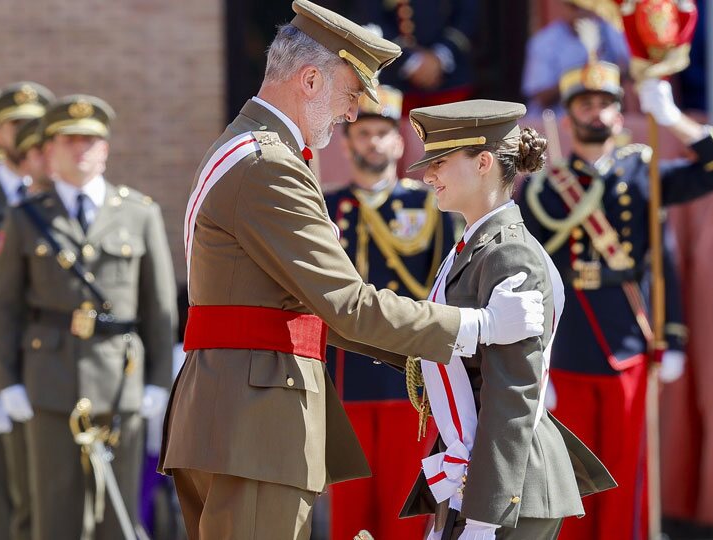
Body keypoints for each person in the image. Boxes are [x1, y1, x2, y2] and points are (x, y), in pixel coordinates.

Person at [159, 1, 548, 538]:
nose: (350, 113)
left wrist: (435, 360)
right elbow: (346, 304)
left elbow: (316, 314)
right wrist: (478, 328)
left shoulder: (249, 149)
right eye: (350, 94)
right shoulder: (269, 165)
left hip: (237, 412)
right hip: (254, 422)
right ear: (311, 79)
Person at [515, 58, 713, 540]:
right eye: (585, 104)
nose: (596, 113)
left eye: (605, 105)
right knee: (568, 476)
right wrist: (532, 361)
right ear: (570, 115)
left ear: (621, 115)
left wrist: (674, 119)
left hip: (627, 342)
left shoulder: (643, 172)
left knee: (624, 473)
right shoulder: (543, 186)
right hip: (566, 346)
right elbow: (526, 277)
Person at [397, 99, 615, 539]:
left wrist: (484, 516)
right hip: (482, 473)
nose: (428, 175)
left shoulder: (508, 253)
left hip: (507, 488)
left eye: (439, 162)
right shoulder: (476, 245)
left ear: (482, 163)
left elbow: (514, 390)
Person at [0, 94, 176, 540]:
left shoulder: (139, 213)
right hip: (50, 380)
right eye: (69, 140)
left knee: (118, 513)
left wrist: (158, 381)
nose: (81, 149)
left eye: (91, 140)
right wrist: (6, 380)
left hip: (119, 380)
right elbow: (3, 307)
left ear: (106, 149)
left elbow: (160, 306)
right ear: (49, 150)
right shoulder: (26, 217)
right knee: (55, 514)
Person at [323, 84, 455, 539]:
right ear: (346, 142)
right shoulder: (324, 207)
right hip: (346, 376)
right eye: (363, 133)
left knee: (406, 512)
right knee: (350, 514)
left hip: (411, 380)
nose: (373, 142)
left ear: (400, 142)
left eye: (383, 132)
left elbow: (443, 292)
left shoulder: (430, 206)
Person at [0, 82, 54, 540]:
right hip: (3, 372)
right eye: (14, 124)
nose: (25, 133)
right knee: (5, 506)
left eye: (33, 122)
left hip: (53, 372)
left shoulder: (62, 202)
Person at [355, 0, 478, 112]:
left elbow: (468, 15)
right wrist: (411, 61)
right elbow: (369, 16)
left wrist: (441, 55)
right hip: (395, 81)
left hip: (451, 82)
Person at [520, 0, 629, 116]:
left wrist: (604, 65)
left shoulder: (611, 31)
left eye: (588, 6)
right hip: (558, 120)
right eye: (575, 7)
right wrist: (583, 72)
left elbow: (629, 71)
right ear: (564, 6)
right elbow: (542, 96)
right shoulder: (544, 42)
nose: (582, 12)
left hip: (601, 119)